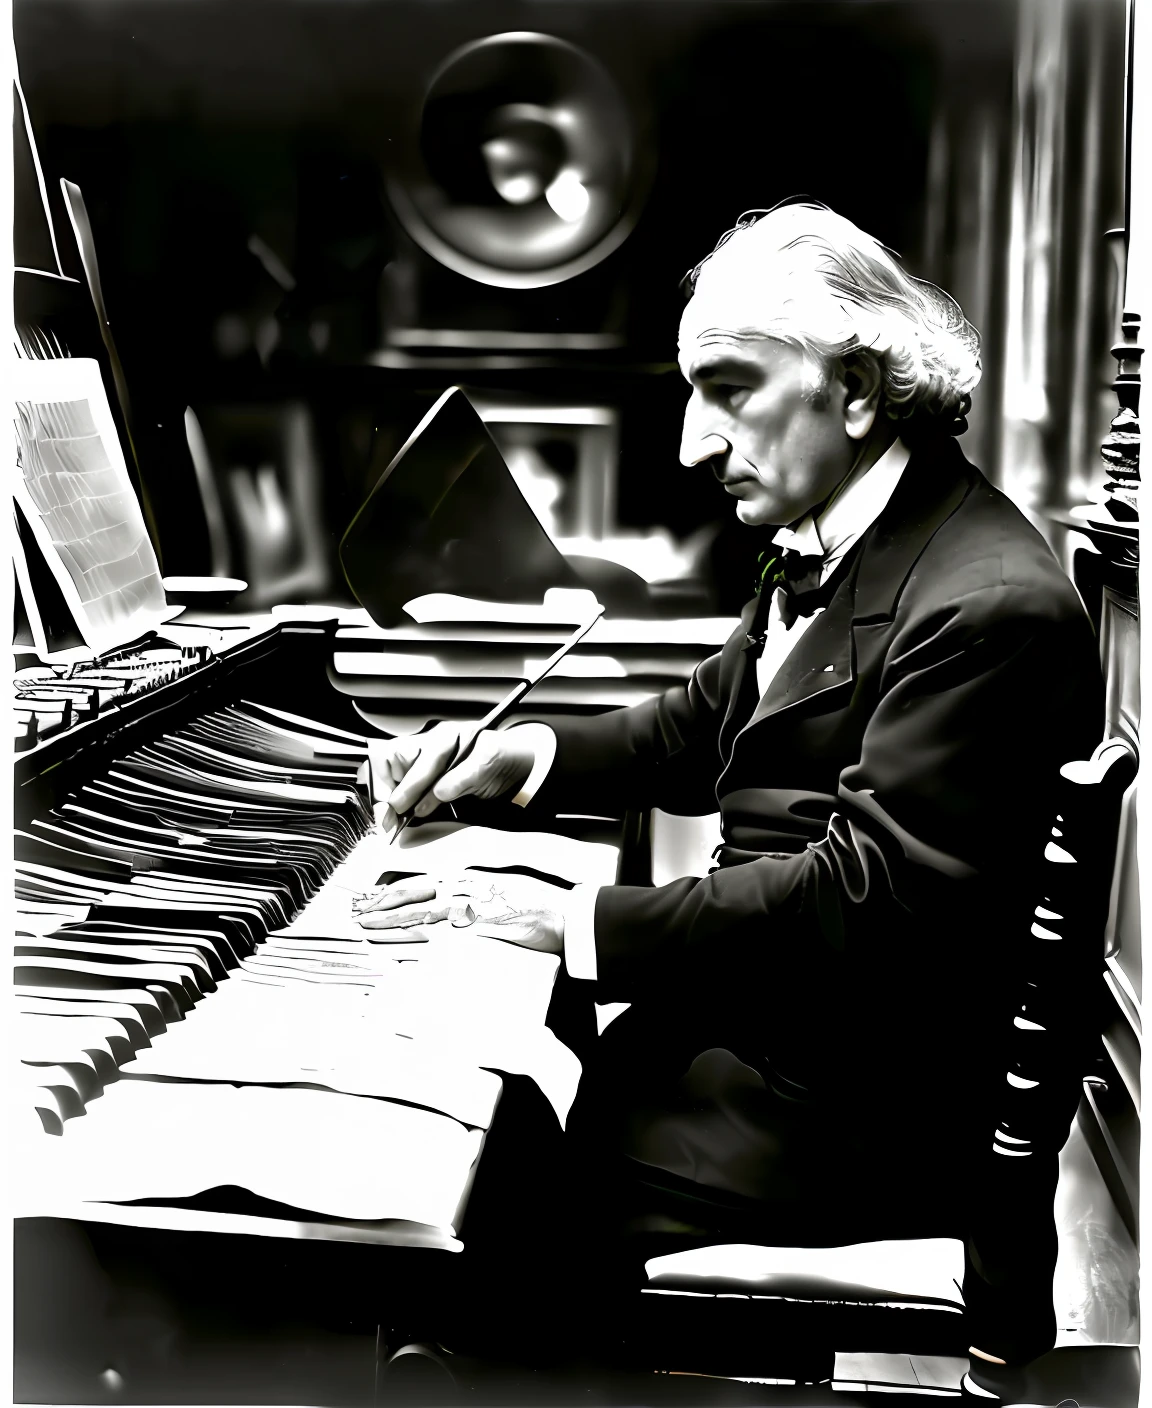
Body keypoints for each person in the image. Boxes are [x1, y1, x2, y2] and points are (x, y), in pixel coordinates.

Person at [353, 201, 1103, 1384]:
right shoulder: (862, 529)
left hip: (869, 1105)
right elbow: (702, 722)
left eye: (731, 389)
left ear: (853, 391)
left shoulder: (989, 603)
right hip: (793, 1043)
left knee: (481, 1190)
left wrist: (568, 921)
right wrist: (517, 760)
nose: (699, 443)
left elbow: (863, 898)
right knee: (490, 1121)